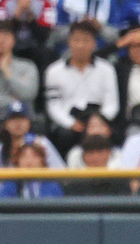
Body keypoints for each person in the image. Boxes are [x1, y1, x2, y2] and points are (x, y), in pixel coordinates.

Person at [44, 20, 120, 155]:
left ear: (94, 44)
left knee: (116, 133)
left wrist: (99, 123)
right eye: (76, 40)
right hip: (69, 119)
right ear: (69, 42)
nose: (80, 45)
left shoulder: (106, 69)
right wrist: (70, 123)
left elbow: (112, 103)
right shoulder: (53, 71)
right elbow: (53, 106)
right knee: (64, 135)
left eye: (86, 41)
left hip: (98, 116)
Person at [0, 99, 64, 168]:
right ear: (6, 124)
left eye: (22, 118)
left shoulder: (42, 143)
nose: (18, 123)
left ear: (29, 122)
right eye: (13, 119)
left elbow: (60, 171)